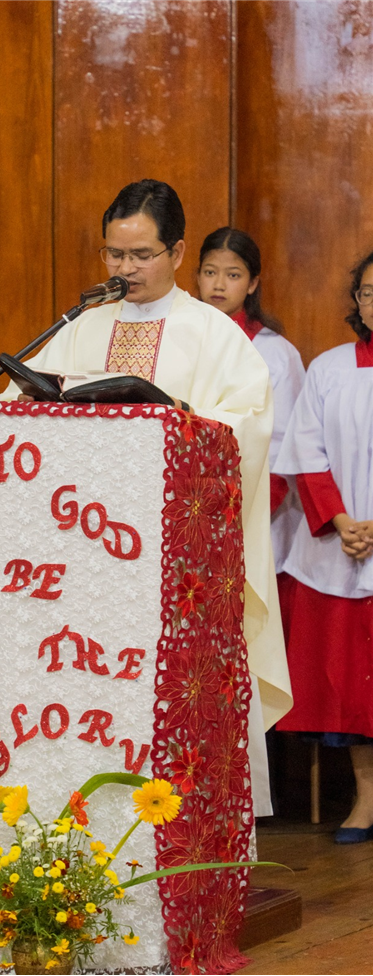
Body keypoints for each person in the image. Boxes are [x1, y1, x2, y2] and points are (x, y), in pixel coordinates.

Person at [0, 179, 293, 815]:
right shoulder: (81, 327)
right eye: (113, 254)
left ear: (179, 251)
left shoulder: (215, 336)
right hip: (83, 563)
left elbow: (247, 427)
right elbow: (15, 408)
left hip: (177, 569)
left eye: (141, 255)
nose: (125, 269)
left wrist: (180, 421)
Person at [274, 250, 373, 843]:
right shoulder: (329, 367)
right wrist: (342, 521)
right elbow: (305, 452)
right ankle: (365, 801)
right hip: (340, 549)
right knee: (352, 693)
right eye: (367, 291)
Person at [197, 228, 306, 582]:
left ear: (253, 283)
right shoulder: (179, 340)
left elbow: (285, 445)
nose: (218, 285)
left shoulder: (275, 353)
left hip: (253, 508)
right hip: (187, 502)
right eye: (210, 272)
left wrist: (242, 512)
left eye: (233, 275)